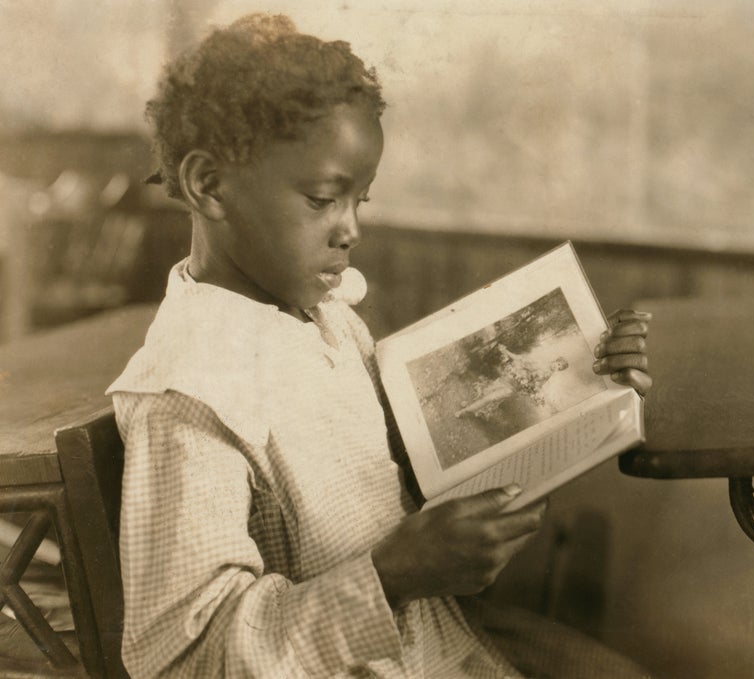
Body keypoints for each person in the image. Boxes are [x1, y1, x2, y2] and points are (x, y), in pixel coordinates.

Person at [108, 13, 652, 678]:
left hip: (428, 642)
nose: (350, 230)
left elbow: (412, 473)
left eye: (359, 201)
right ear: (208, 185)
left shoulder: (325, 320)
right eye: (322, 199)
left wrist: (584, 381)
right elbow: (184, 657)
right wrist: (391, 576)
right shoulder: (190, 390)